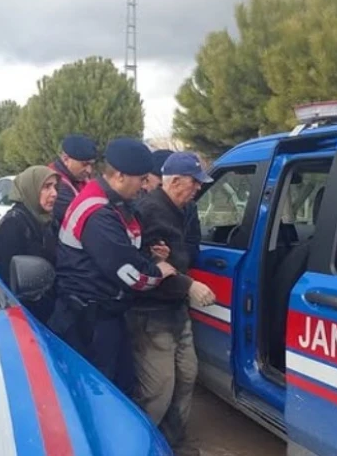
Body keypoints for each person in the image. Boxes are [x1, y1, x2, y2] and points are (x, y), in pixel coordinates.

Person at [48, 137, 178, 394]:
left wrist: (149, 253)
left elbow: (125, 247)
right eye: (141, 179)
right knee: (102, 393)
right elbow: (130, 273)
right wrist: (158, 271)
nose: (145, 186)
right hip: (89, 320)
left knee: (121, 385)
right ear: (119, 176)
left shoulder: (113, 201)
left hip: (103, 313)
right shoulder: (98, 211)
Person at [129, 151, 216, 456]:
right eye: (195, 182)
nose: (198, 188)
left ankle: (173, 443)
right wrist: (189, 285)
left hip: (176, 310)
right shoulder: (148, 211)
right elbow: (143, 265)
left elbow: (183, 253)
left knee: (187, 376)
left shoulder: (183, 209)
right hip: (152, 313)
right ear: (176, 181)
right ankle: (141, 447)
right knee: (158, 389)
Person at [0, 166, 60, 323]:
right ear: (31, 188)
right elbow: (12, 280)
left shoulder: (46, 219)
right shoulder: (13, 224)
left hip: (51, 307)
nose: (54, 193)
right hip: (28, 316)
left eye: (55, 187)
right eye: (46, 187)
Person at [49, 134, 98, 231]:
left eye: (91, 165)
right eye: (84, 164)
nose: (89, 170)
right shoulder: (55, 184)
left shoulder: (79, 177)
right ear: (65, 159)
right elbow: (83, 218)